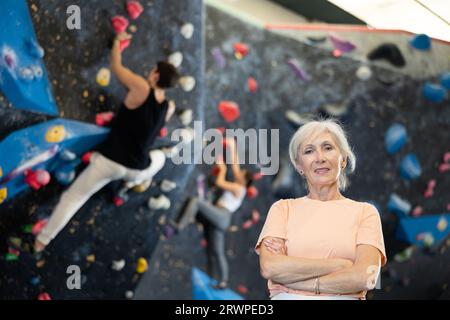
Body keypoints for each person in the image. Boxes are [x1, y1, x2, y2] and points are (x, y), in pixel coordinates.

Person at [34, 32, 179, 252]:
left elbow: (116, 66)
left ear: (156, 75)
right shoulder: (169, 107)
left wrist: (117, 42)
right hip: (138, 168)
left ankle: (42, 240)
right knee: (159, 158)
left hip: (111, 162)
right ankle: (131, 183)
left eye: (152, 70)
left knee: (73, 197)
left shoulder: (141, 87)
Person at [256, 119, 387, 300]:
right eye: (309, 151)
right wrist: (340, 265)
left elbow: (368, 277)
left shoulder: (366, 213)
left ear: (343, 159)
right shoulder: (282, 209)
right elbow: (270, 267)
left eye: (328, 148)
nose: (320, 158)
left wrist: (303, 283)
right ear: (299, 166)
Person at [174, 138, 253, 289]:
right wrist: (232, 146)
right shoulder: (240, 184)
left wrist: (222, 170)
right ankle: (221, 280)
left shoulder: (239, 188)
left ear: (244, 180)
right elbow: (235, 165)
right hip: (220, 217)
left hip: (222, 215)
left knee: (196, 202)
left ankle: (179, 225)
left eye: (241, 174)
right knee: (215, 250)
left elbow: (219, 183)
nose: (238, 173)